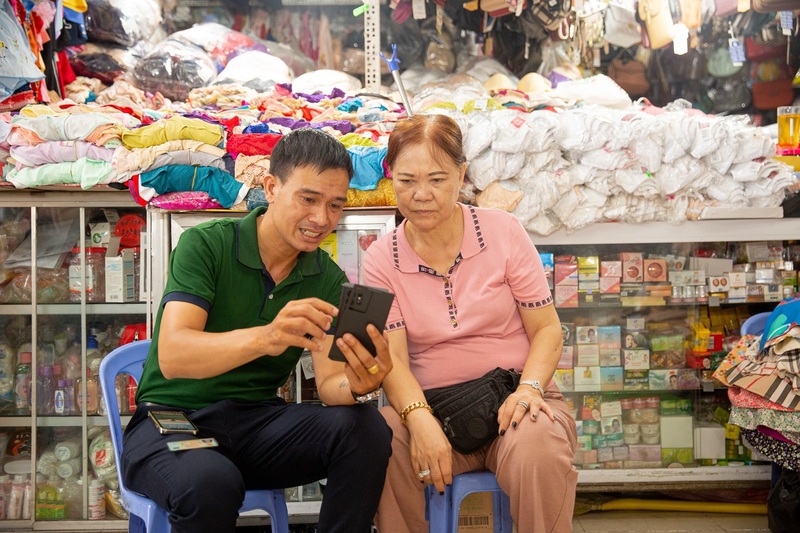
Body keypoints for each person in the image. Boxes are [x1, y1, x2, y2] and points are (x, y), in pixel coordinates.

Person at [122, 128, 393, 533]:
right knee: (210, 481)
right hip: (173, 421)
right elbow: (174, 356)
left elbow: (331, 386)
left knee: (368, 428)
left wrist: (359, 382)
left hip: (255, 426)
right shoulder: (206, 245)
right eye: (308, 199)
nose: (322, 219)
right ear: (270, 187)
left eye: (336, 205)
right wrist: (269, 335)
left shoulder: (327, 278)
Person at [363, 114, 577, 532]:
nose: (421, 195)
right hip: (433, 410)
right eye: (406, 181)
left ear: (461, 174)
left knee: (538, 445)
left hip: (515, 401)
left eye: (437, 180)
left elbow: (548, 329)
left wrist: (530, 389)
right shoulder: (381, 258)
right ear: (391, 178)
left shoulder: (503, 232)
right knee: (380, 438)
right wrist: (419, 419)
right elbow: (394, 361)